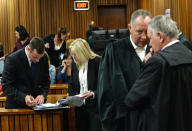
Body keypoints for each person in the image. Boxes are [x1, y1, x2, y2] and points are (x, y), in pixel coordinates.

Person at [125, 15, 192, 131]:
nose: (149, 44)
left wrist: (146, 65)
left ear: (160, 37)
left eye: (150, 38)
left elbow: (132, 99)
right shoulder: (189, 54)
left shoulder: (157, 62)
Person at [97, 9, 152, 131]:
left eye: (147, 32)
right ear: (130, 28)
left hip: (151, 120)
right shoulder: (114, 51)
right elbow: (106, 89)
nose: (144, 37)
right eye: (139, 32)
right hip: (123, 121)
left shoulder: (157, 51)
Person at [2, 37, 50, 109]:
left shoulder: (44, 58)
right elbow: (6, 86)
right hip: (16, 107)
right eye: (35, 57)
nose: (38, 60)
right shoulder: (12, 59)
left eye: (40, 57)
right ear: (28, 49)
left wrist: (42, 95)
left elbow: (46, 81)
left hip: (37, 106)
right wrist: (23, 97)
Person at [68, 38, 102, 131]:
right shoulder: (75, 64)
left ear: (82, 52)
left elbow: (105, 85)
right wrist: (72, 96)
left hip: (94, 108)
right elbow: (71, 83)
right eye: (72, 54)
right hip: (80, 107)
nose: (73, 57)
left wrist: (93, 93)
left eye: (75, 54)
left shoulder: (97, 62)